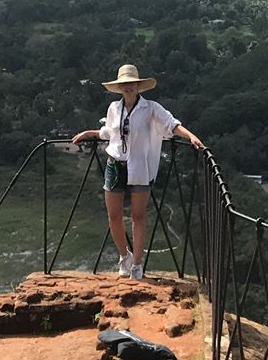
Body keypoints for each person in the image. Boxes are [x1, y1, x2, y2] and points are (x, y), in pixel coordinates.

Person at [72, 64, 202, 280]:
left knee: (138, 216)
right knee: (113, 216)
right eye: (124, 84)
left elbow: (172, 124)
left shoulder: (151, 108)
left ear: (138, 85)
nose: (128, 87)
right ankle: (125, 257)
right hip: (115, 164)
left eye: (131, 83)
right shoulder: (114, 108)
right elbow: (109, 133)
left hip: (140, 166)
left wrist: (190, 136)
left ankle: (137, 264)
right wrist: (90, 133)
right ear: (120, 87)